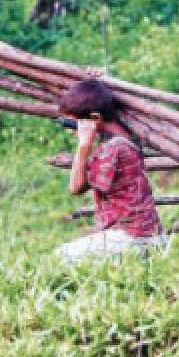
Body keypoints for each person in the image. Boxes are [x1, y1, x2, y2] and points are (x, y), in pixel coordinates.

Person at [54, 78, 165, 264]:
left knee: (61, 257)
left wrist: (84, 145)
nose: (71, 130)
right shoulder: (127, 139)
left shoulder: (112, 149)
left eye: (73, 124)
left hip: (133, 239)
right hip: (147, 235)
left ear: (95, 119)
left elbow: (76, 188)